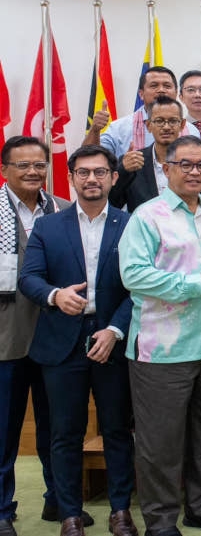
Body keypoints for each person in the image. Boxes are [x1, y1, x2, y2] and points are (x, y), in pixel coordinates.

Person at [118, 136, 201, 536]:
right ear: (167, 168)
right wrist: (190, 284)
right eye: (185, 164)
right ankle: (161, 520)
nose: (193, 172)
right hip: (161, 350)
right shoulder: (146, 216)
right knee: (160, 445)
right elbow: (132, 274)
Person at [18, 145, 137, 536]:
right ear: (70, 178)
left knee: (118, 430)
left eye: (100, 172)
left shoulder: (130, 223)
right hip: (60, 343)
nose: (92, 179)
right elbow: (29, 278)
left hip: (112, 341)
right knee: (64, 433)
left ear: (113, 178)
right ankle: (70, 514)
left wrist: (116, 329)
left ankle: (121, 511)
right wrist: (55, 295)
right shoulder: (49, 226)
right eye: (83, 172)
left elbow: (139, 288)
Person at [0, 136, 70, 536]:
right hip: (5, 338)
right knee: (4, 431)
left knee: (57, 426)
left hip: (54, 337)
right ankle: (3, 510)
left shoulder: (62, 209)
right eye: (22, 165)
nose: (32, 172)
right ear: (5, 170)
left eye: (39, 165)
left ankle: (58, 499)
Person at [84, 66, 199, 157]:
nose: (161, 90)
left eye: (167, 86)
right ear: (141, 94)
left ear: (176, 92)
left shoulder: (191, 131)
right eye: (154, 86)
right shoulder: (119, 129)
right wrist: (95, 130)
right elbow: (87, 159)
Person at [109, 96, 185, 212]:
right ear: (149, 125)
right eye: (159, 121)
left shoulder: (193, 162)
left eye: (173, 121)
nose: (166, 127)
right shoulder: (132, 161)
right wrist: (123, 171)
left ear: (182, 125)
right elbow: (113, 204)